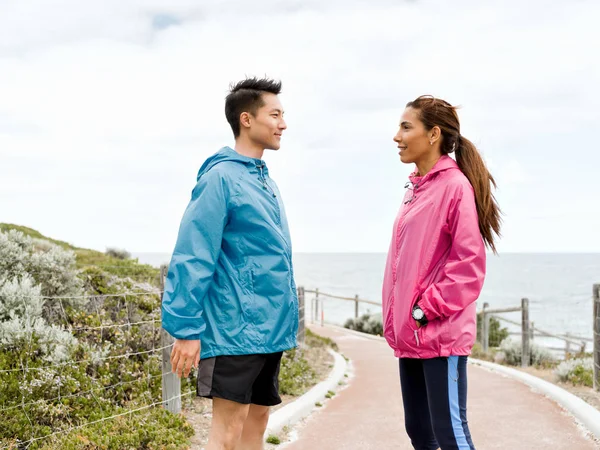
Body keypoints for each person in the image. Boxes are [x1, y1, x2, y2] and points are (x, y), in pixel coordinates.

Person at [161, 77, 298, 450]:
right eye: (275, 114)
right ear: (246, 119)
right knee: (227, 433)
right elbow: (193, 254)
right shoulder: (220, 178)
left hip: (267, 331)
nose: (283, 123)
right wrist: (186, 328)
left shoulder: (264, 180)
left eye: (283, 115)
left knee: (258, 421)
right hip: (235, 329)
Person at [382, 95, 501, 450]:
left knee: (450, 433)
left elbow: (468, 266)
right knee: (419, 431)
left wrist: (423, 309)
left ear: (433, 134)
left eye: (406, 127)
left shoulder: (454, 187)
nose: (396, 136)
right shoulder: (415, 189)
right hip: (412, 336)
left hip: (438, 334)